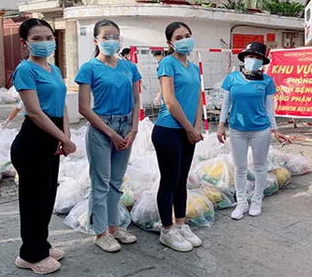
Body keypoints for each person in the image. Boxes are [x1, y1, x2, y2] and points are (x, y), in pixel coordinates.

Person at [10, 18, 77, 275]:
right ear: (24, 43)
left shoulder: (54, 69)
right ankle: (29, 255)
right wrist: (64, 138)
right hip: (33, 141)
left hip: (52, 137)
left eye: (48, 38)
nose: (45, 43)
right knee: (33, 200)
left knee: (47, 197)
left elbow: (61, 106)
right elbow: (35, 113)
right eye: (37, 39)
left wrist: (64, 136)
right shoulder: (25, 70)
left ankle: (41, 245)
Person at [76, 20, 142, 253]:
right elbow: (84, 108)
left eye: (115, 36)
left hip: (126, 127)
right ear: (96, 40)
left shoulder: (129, 68)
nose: (111, 41)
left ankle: (114, 228)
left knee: (116, 183)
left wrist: (134, 130)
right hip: (101, 129)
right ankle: (101, 232)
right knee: (101, 183)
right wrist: (111, 133)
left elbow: (136, 100)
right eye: (105, 37)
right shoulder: (89, 68)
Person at [217, 42, 291, 220]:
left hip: (260, 130)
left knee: (260, 167)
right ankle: (241, 202)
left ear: (263, 61)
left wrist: (275, 129)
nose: (254, 60)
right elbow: (226, 103)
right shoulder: (232, 78)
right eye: (251, 56)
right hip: (237, 129)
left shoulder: (267, 81)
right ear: (244, 58)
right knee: (240, 167)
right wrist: (221, 124)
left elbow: (269, 107)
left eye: (258, 57)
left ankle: (257, 200)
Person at [151, 22, 204, 252]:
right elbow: (170, 101)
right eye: (179, 36)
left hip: (188, 131)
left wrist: (198, 126)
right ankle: (167, 230)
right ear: (170, 42)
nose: (185, 39)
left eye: (188, 35)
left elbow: (198, 99)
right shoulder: (167, 63)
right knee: (169, 181)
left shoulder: (192, 67)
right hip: (169, 130)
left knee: (182, 181)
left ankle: (181, 224)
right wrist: (189, 129)